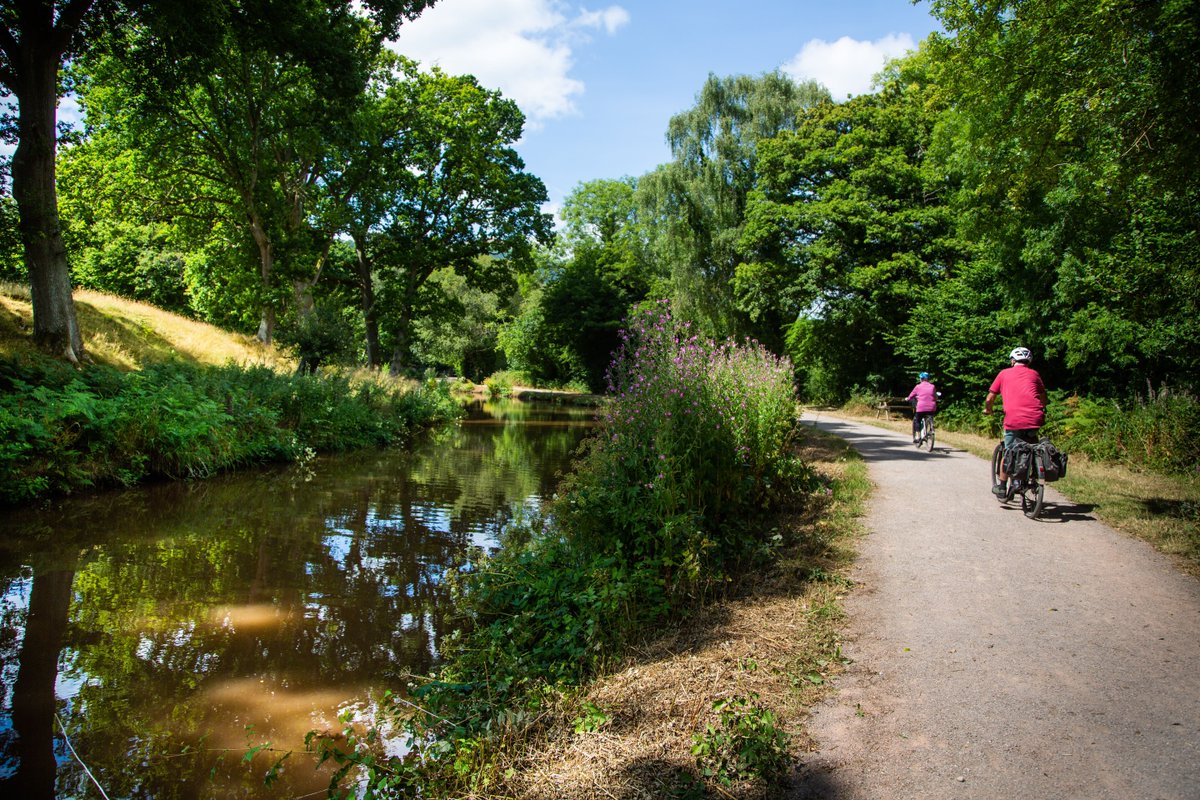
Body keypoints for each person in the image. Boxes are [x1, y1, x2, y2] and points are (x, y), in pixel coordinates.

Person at [985, 346, 1048, 496]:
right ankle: (1033, 473)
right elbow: (1043, 398)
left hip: (1013, 419)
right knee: (1031, 444)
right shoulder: (1034, 374)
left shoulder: (1004, 373)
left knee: (1009, 451)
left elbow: (990, 398)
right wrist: (1041, 407)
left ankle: (1001, 486)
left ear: (1013, 360)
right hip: (1035, 417)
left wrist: (988, 409)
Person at [906, 372, 938, 444]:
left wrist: (907, 399)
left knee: (917, 420)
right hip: (931, 408)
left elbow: (911, 395)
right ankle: (931, 428)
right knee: (930, 416)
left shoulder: (918, 386)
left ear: (921, 379)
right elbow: (935, 397)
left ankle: (918, 436)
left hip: (921, 407)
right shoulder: (932, 386)